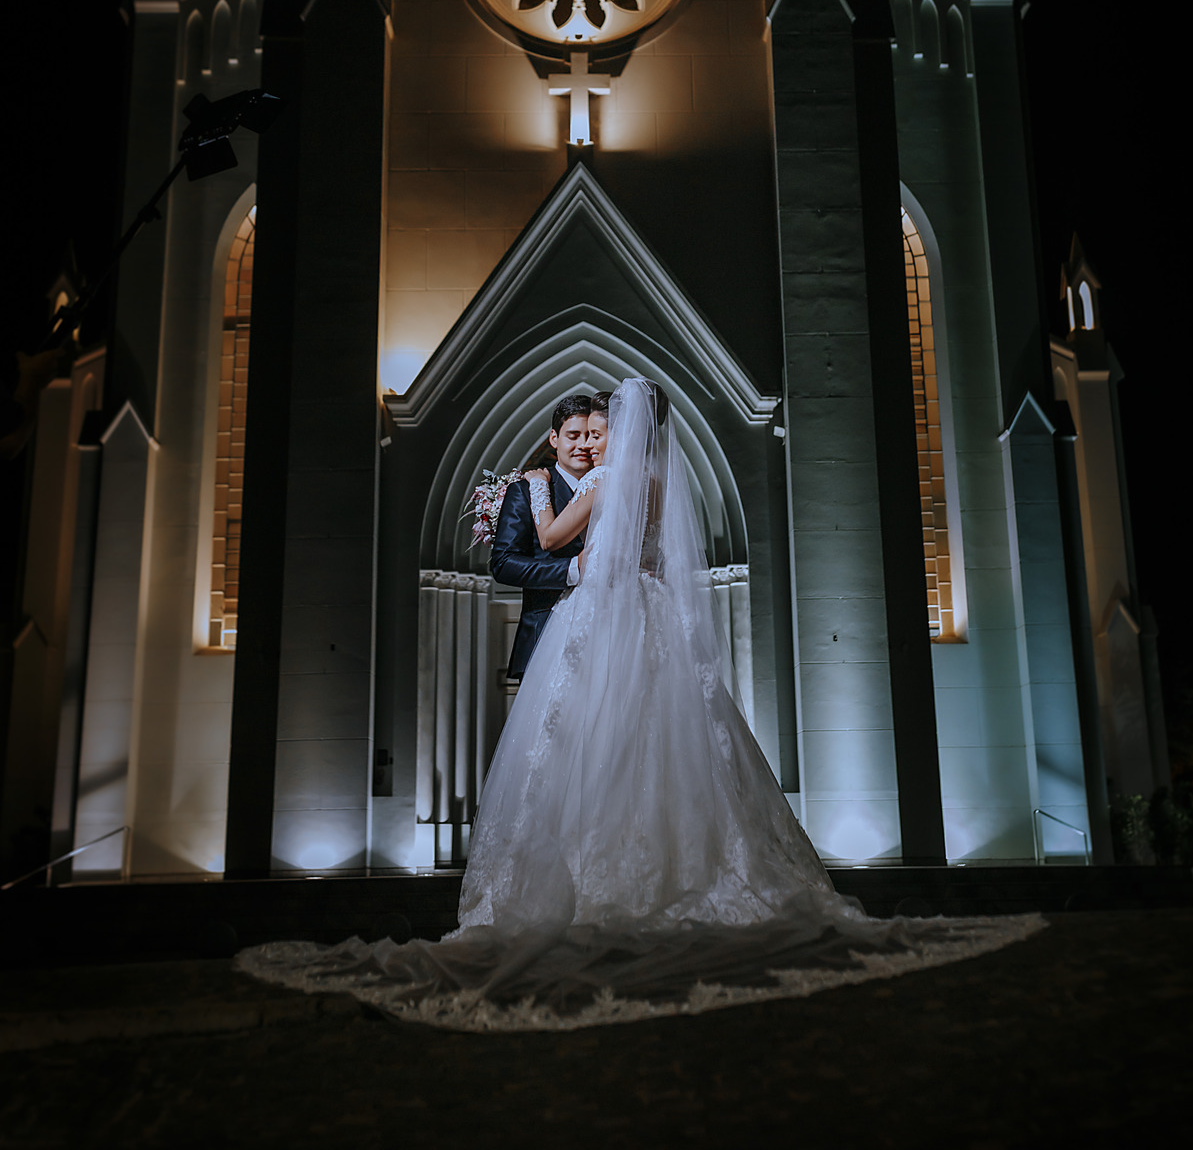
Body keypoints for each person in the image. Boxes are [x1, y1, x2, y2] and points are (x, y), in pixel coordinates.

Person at [237, 377, 1041, 1028]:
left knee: (591, 748)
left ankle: (590, 882)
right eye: (579, 432)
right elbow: (550, 560)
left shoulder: (610, 480)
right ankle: (680, 870)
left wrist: (538, 498)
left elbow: (551, 545)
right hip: (654, 619)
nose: (592, 439)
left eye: (602, 425)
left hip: (601, 616)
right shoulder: (658, 477)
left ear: (619, 427)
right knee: (670, 742)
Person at [488, 393, 595, 684]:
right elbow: (503, 563)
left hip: (605, 638)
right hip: (545, 634)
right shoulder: (525, 490)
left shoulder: (612, 486)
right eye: (573, 435)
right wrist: (572, 569)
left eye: (591, 436)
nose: (583, 445)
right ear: (553, 438)